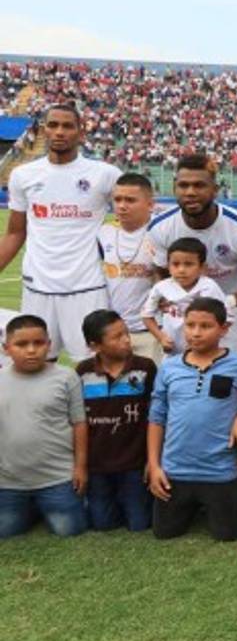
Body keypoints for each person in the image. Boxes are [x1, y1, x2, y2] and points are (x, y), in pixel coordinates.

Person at [0, 104, 122, 361]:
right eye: (53, 125)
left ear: (81, 132)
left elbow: (134, 218)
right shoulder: (23, 175)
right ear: (43, 129)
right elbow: (14, 233)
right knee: (36, 363)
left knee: (94, 365)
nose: (59, 132)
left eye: (68, 126)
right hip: (38, 287)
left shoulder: (106, 175)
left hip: (88, 286)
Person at [146, 298, 237, 541]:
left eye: (205, 326)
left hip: (220, 471)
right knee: (164, 533)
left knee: (229, 535)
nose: (196, 333)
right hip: (175, 471)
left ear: (223, 329)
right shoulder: (169, 368)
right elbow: (156, 417)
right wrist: (154, 466)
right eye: (190, 325)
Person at [147, 153, 237, 353]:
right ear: (174, 188)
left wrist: (224, 302)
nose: (190, 192)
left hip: (235, 315)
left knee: (232, 377)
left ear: (215, 190)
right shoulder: (159, 228)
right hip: (185, 316)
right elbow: (160, 272)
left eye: (199, 186)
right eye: (183, 186)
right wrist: (170, 297)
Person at [0, 315, 88, 538]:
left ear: (49, 345)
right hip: (9, 481)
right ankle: (32, 508)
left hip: (57, 477)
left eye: (38, 343)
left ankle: (46, 505)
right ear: (6, 348)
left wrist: (80, 467)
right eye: (21, 344)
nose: (31, 350)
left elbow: (79, 424)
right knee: (6, 531)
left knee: (68, 530)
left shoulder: (67, 377)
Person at [76, 310, 157, 531]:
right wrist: (81, 466)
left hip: (134, 463)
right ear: (95, 346)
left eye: (126, 333)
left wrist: (152, 460)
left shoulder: (145, 368)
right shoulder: (83, 372)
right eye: (117, 337)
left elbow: (154, 416)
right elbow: (78, 420)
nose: (126, 340)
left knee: (139, 525)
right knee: (103, 525)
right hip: (98, 465)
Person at [98, 172, 161, 363]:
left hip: (150, 331)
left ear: (150, 204)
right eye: (117, 199)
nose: (122, 206)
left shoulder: (160, 234)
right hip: (113, 332)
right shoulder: (103, 232)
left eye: (130, 200)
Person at [140, 237, 228, 355]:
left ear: (202, 267)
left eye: (188, 264)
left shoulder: (209, 287)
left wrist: (209, 341)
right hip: (172, 352)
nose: (181, 270)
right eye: (175, 264)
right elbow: (146, 315)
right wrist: (161, 337)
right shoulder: (161, 288)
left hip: (205, 352)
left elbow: (227, 319)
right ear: (168, 266)